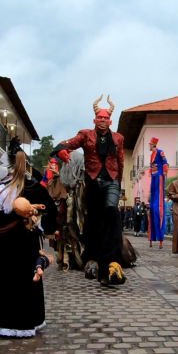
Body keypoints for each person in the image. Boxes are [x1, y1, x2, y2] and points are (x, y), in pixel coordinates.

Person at [0, 141, 56, 337]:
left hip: (22, 249)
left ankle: (19, 323)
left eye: (0, 165)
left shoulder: (34, 189)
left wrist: (35, 219)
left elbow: (50, 214)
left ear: (10, 168)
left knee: (19, 284)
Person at [53, 95, 126, 286]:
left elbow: (120, 161)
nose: (102, 121)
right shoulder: (86, 135)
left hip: (111, 180)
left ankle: (113, 260)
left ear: (110, 121)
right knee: (93, 218)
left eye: (105, 118)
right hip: (92, 181)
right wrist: (62, 151)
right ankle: (92, 257)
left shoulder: (118, 138)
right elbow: (67, 144)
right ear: (94, 120)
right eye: (99, 118)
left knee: (111, 211)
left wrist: (119, 182)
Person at [147, 137, 168, 248]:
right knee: (152, 208)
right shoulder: (151, 155)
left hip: (159, 177)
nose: (149, 146)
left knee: (158, 208)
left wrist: (164, 174)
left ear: (153, 145)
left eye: (150, 144)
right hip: (153, 178)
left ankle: (160, 237)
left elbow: (165, 163)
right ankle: (152, 237)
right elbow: (151, 168)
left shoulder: (160, 152)